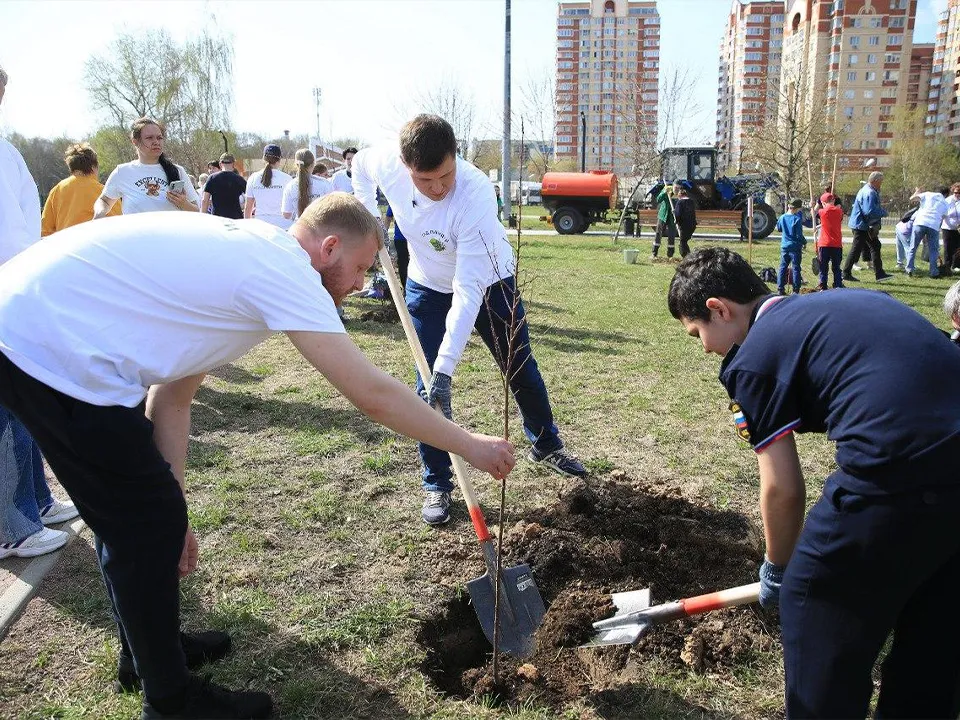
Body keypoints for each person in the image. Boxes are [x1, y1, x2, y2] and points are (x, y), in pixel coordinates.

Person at [0, 193, 515, 719]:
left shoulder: (249, 262)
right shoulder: (283, 272)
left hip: (35, 323)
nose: (362, 284)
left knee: (144, 518)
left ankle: (148, 656)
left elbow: (173, 398)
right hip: (45, 342)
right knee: (139, 523)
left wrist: (173, 514)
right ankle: (170, 701)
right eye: (360, 269)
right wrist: (469, 445)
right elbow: (372, 395)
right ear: (329, 247)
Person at [668, 247, 960, 719]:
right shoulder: (845, 302)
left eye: (697, 332)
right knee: (933, 628)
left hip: (899, 472)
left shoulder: (754, 358)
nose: (704, 347)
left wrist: (779, 570)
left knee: (813, 594)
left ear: (718, 308)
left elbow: (783, 488)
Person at [353, 114, 586, 526]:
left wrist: (447, 368)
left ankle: (545, 444)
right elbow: (359, 167)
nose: (439, 188)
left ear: (455, 157)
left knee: (518, 366)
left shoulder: (475, 193)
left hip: (489, 280)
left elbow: (468, 290)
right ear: (407, 167)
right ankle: (437, 481)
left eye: (445, 175)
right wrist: (370, 215)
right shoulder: (385, 161)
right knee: (426, 388)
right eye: (426, 181)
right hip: (426, 284)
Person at [0, 63, 78, 560]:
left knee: (23, 398)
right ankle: (13, 524)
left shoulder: (7, 151)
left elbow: (23, 224)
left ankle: (36, 500)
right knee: (5, 408)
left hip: (15, 292)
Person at [94, 117, 199, 217]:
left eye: (159, 138)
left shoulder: (178, 171)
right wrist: (99, 214)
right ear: (135, 142)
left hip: (172, 235)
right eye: (149, 138)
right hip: (137, 235)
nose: (156, 142)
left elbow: (198, 211)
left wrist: (183, 203)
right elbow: (104, 201)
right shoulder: (122, 172)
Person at [41, 143, 120, 235]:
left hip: (65, 246)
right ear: (94, 167)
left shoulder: (57, 190)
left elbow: (46, 230)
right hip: (95, 245)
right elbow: (117, 226)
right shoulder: (106, 193)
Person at [842, 171, 892, 283]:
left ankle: (879, 273)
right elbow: (868, 211)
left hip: (861, 224)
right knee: (857, 249)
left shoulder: (865, 190)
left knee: (874, 246)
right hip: (861, 225)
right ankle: (846, 273)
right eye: (880, 182)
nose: (881, 184)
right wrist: (883, 212)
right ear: (875, 181)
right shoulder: (870, 192)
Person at [243, 144, 292, 229]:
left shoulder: (253, 178)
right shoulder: (287, 179)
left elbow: (248, 207)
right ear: (279, 160)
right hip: (283, 226)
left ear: (263, 159)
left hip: (261, 226)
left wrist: (247, 228)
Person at [906, 186, 949, 278]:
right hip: (934, 225)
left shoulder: (927, 194)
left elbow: (912, 199)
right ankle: (934, 272)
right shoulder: (945, 203)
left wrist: (916, 192)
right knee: (933, 250)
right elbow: (943, 218)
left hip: (920, 222)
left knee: (913, 247)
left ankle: (909, 269)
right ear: (946, 194)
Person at [281, 149, 333, 222]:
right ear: (313, 164)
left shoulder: (290, 186)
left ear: (296, 165)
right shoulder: (324, 183)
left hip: (300, 229)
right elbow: (333, 209)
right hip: (321, 228)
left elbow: (286, 215)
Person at [200, 153, 247, 219]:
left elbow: (204, 200)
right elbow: (250, 198)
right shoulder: (239, 179)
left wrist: (202, 218)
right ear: (233, 164)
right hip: (236, 218)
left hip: (217, 219)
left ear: (220, 164)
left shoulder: (212, 178)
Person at [775, 198, 807, 295]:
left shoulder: (782, 217)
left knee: (782, 267)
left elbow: (779, 229)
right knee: (796, 268)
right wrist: (804, 242)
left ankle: (780, 289)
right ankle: (795, 290)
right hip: (795, 248)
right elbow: (798, 235)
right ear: (797, 208)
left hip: (784, 246)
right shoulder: (797, 219)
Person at [815, 194, 844, 290]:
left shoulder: (822, 212)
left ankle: (823, 284)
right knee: (836, 266)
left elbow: (814, 213)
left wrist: (813, 206)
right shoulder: (840, 211)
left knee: (823, 266)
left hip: (824, 243)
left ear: (823, 203)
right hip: (836, 244)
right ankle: (838, 284)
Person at [383, 202, 409, 289]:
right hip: (400, 238)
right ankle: (405, 287)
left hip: (415, 238)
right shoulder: (395, 198)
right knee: (402, 263)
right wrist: (383, 235)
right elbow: (388, 217)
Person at [651, 182, 679, 259]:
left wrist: (676, 211)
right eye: (676, 188)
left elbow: (680, 205)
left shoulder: (680, 193)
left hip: (672, 217)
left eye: (678, 188)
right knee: (658, 234)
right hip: (663, 215)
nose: (677, 190)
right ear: (673, 186)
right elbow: (658, 199)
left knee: (671, 235)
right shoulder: (667, 189)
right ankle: (654, 253)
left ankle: (670, 255)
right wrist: (664, 192)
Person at [673, 185, 697, 258]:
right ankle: (688, 255)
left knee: (682, 242)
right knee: (684, 241)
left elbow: (678, 214)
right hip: (692, 225)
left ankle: (686, 256)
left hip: (684, 225)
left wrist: (676, 220)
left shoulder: (680, 202)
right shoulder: (691, 202)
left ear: (680, 196)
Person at [941, 183, 960, 274]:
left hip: (958, 228)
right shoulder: (948, 201)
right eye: (956, 192)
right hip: (947, 228)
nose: (958, 194)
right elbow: (942, 214)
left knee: (958, 248)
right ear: (953, 191)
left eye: (959, 192)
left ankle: (956, 265)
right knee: (948, 247)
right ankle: (947, 266)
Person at [895, 205, 918, 272]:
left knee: (900, 246)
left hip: (899, 227)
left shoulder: (915, 210)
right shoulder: (920, 212)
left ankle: (899, 263)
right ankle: (910, 266)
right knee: (908, 248)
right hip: (905, 230)